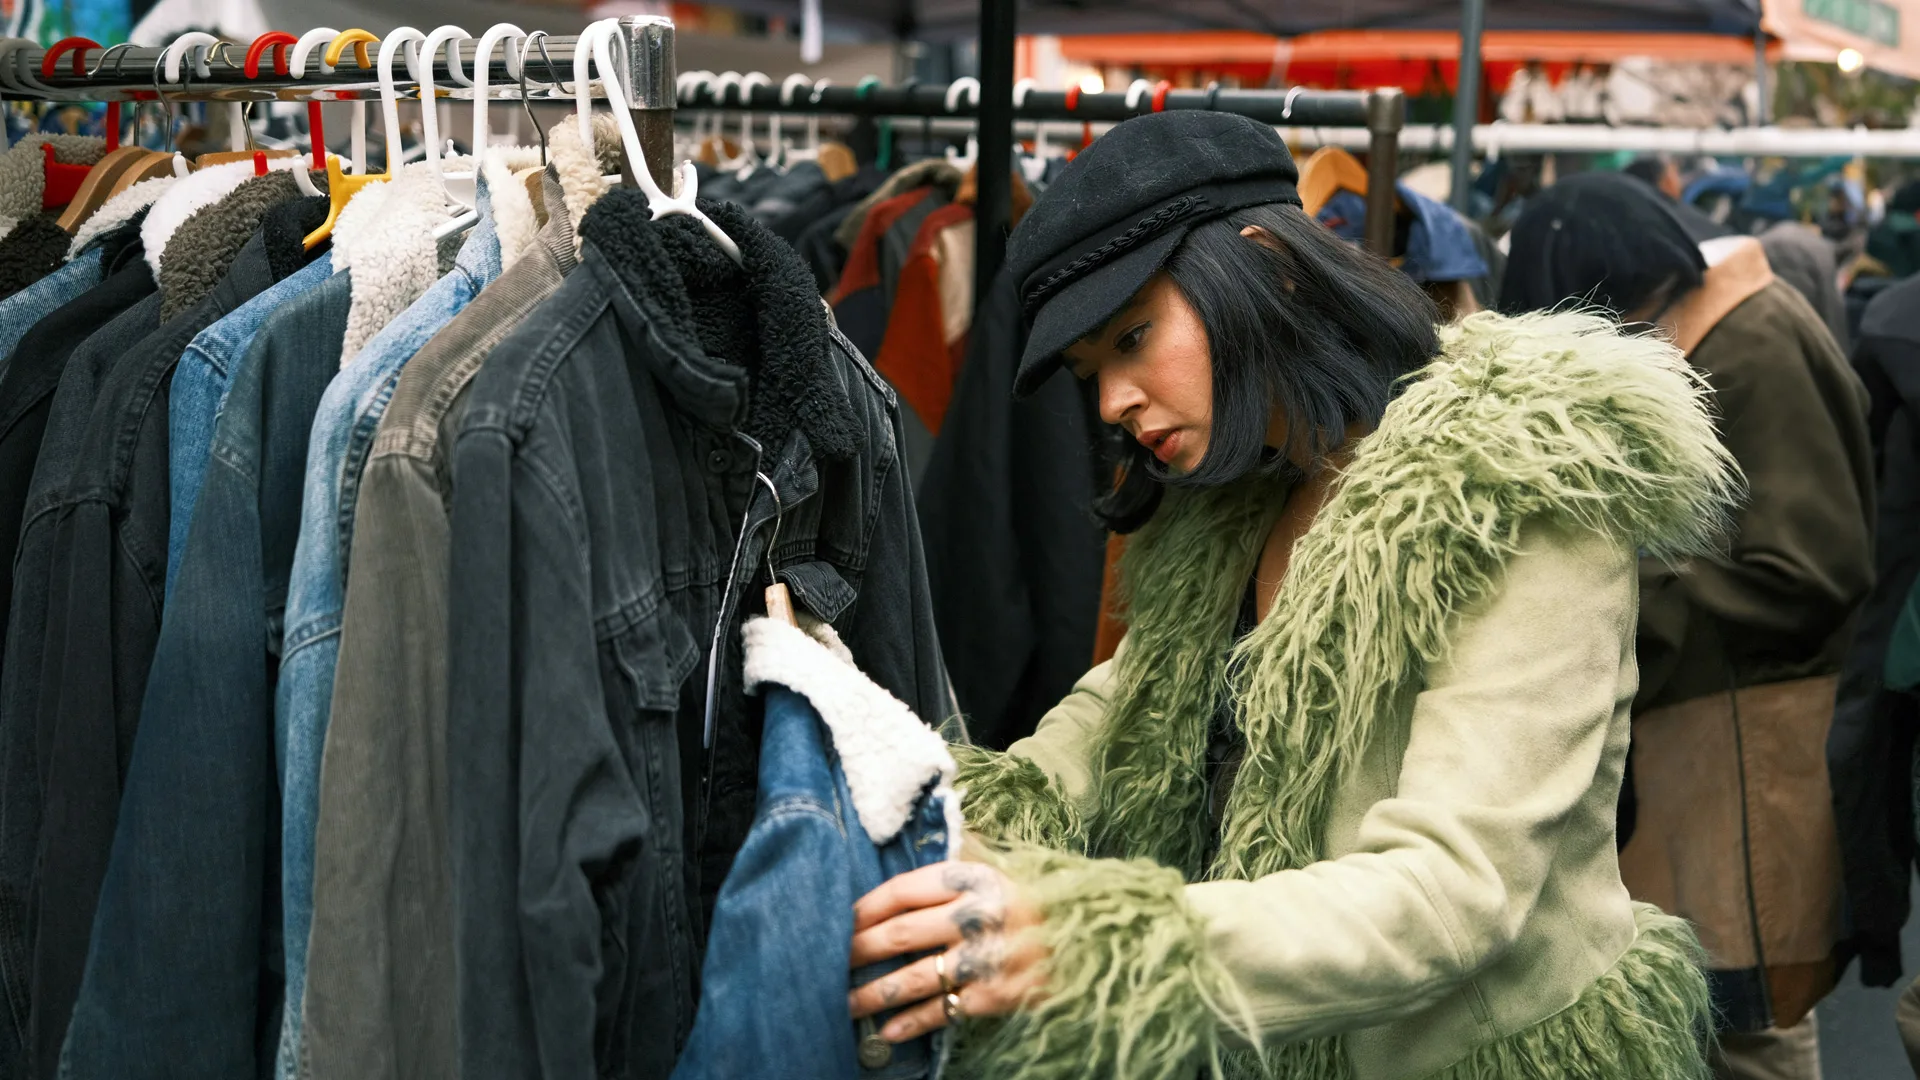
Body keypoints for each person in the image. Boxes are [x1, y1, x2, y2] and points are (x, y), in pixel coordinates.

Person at [844, 112, 1733, 1078]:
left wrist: (1097, 947)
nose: (1111, 404)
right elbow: (1120, 713)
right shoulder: (1239, 490)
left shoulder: (1518, 486)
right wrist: (952, 815)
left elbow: (1456, 888)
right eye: (1089, 371)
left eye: (1133, 337)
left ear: (1265, 263)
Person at [1504, 172, 1874, 1080]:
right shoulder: (1708, 337)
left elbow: (1812, 570)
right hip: (1707, 744)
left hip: (1748, 747)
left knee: (1750, 1027)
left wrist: (1607, 600)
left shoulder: (1752, 344)